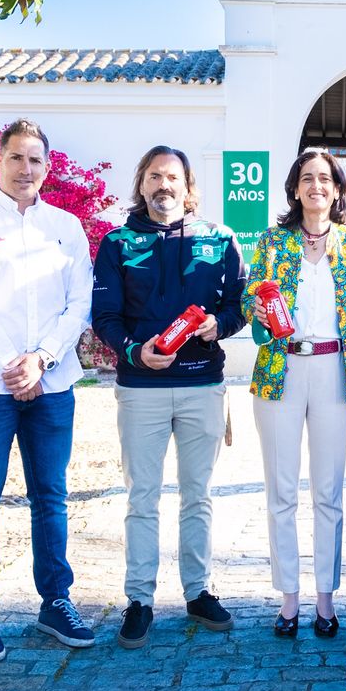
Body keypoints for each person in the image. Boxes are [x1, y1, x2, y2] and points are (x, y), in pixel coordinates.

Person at [92, 145, 245, 648]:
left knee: (197, 496)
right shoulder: (117, 243)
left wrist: (218, 325)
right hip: (142, 390)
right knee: (142, 497)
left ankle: (198, 592)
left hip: (203, 385)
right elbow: (105, 317)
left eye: (173, 177)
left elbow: (239, 304)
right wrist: (134, 352)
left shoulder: (220, 238)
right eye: (155, 176)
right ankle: (139, 599)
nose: (164, 185)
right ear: (142, 184)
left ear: (187, 185)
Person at [245, 148, 346, 638]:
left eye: (325, 178)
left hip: (334, 370)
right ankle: (289, 598)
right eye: (307, 178)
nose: (316, 186)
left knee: (328, 490)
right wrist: (256, 312)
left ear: (338, 188)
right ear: (295, 188)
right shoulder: (272, 241)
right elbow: (250, 296)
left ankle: (325, 597)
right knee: (281, 490)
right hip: (279, 370)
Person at [0, 119, 93, 663]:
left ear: (48, 167)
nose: (25, 169)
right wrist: (10, 365)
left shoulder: (65, 227)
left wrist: (40, 359)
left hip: (54, 382)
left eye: (35, 160)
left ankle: (56, 602)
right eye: (16, 157)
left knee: (51, 497)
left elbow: (79, 303)